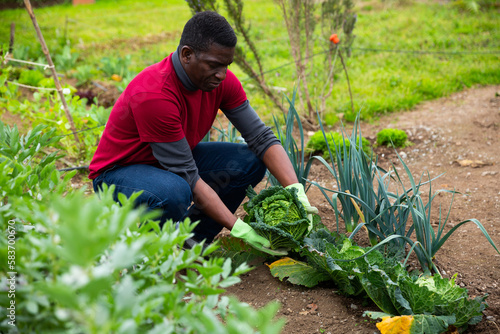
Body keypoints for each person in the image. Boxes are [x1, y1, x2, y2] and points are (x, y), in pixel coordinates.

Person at [89, 11, 316, 255]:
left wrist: (296, 191)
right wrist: (240, 229)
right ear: (187, 55)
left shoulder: (219, 81)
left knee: (248, 162)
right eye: (213, 65)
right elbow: (188, 179)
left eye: (226, 65)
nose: (221, 74)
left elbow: (261, 138)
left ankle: (193, 240)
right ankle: (150, 252)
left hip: (168, 166)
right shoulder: (155, 94)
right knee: (173, 192)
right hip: (119, 175)